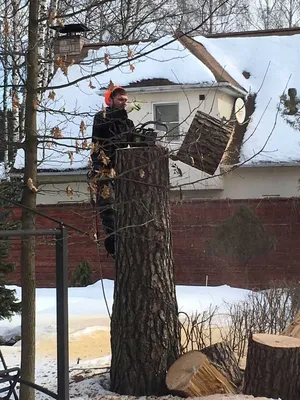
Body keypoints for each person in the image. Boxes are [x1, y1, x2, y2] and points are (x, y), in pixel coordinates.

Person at [89, 86, 135, 258]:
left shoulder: (127, 123)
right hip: (104, 169)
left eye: (125, 100)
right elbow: (103, 125)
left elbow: (133, 141)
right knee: (107, 208)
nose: (123, 103)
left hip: (122, 170)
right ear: (111, 100)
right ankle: (113, 242)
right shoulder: (101, 117)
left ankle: (126, 239)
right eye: (120, 100)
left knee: (124, 206)